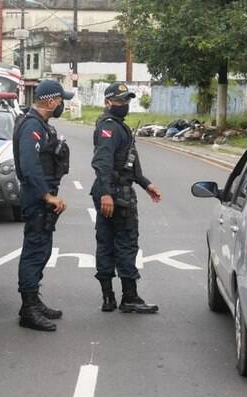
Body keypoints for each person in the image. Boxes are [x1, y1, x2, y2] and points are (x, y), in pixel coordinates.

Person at [90, 83, 162, 314]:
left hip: (114, 190)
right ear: (109, 102)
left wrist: (145, 183)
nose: (125, 105)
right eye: (120, 101)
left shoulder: (119, 128)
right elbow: (102, 162)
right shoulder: (109, 128)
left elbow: (129, 163)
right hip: (115, 194)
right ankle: (125, 297)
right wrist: (107, 193)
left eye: (127, 100)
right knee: (124, 243)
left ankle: (110, 298)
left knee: (108, 242)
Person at [12, 80, 73, 331]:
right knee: (35, 251)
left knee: (42, 250)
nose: (62, 105)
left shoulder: (40, 125)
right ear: (51, 101)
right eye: (60, 100)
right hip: (37, 198)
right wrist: (47, 196)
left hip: (41, 198)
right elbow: (29, 165)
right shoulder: (32, 127)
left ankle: (34, 301)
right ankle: (28, 308)